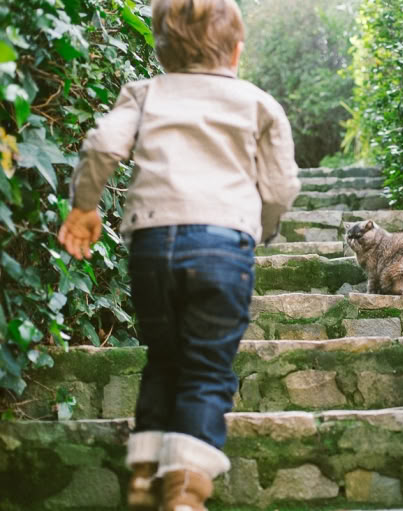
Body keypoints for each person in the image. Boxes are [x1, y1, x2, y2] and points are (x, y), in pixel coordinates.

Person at [57, 0, 300, 509]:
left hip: (151, 245)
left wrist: (84, 207)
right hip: (224, 245)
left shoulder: (145, 92)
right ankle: (184, 492)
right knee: (207, 368)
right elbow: (280, 187)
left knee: (164, 359)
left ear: (161, 52)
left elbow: (103, 145)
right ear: (236, 52)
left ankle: (144, 478)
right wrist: (263, 226)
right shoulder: (258, 103)